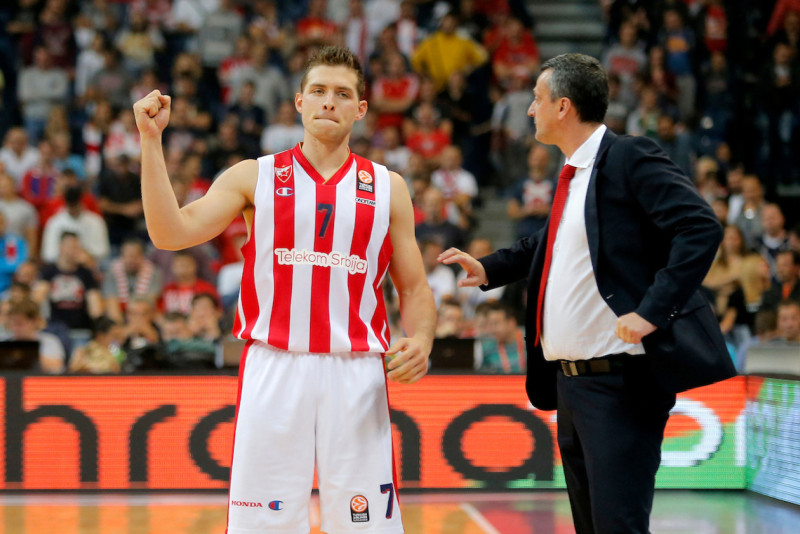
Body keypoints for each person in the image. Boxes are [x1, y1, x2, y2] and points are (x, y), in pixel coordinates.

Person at [134, 45, 435, 534]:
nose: (329, 101)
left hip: (357, 370)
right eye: (318, 91)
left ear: (361, 108)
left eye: (342, 94)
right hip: (275, 365)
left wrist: (421, 339)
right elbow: (170, 234)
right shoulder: (255, 175)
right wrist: (151, 142)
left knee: (367, 527)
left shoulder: (389, 187)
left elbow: (415, 287)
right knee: (262, 527)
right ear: (299, 101)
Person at [439, 53, 736, 534]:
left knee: (617, 526)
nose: (529, 110)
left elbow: (700, 227)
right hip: (571, 384)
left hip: (621, 383)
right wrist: (490, 267)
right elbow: (547, 245)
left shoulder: (628, 156)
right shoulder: (573, 174)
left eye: (537, 99)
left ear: (564, 106)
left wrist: (652, 311)